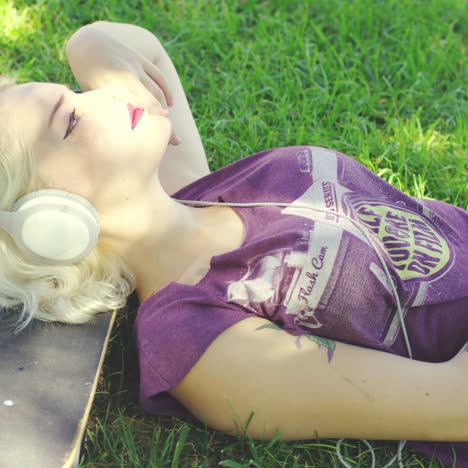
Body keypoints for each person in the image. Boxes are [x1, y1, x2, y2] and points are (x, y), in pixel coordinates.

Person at [0, 21, 466, 467]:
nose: (108, 95)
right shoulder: (200, 342)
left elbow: (135, 43)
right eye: (72, 120)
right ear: (50, 222)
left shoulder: (192, 189)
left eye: (78, 91)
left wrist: (89, 46)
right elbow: (456, 401)